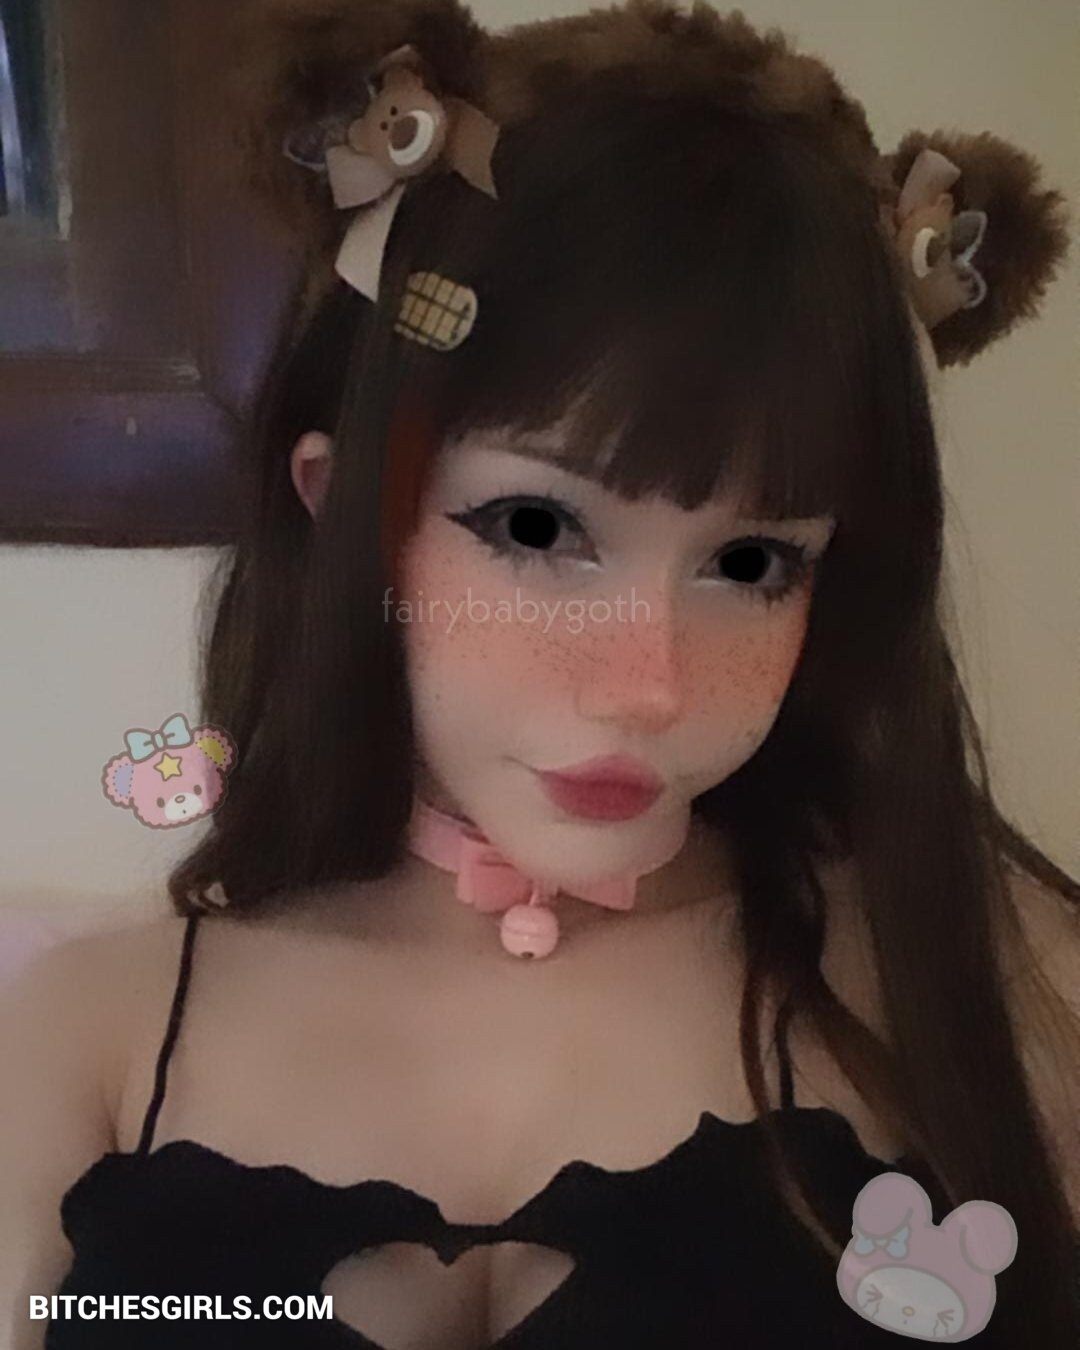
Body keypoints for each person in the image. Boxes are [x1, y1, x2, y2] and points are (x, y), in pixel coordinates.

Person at [2, 2, 1078, 1346]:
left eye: (751, 562)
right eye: (536, 528)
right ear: (348, 516)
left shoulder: (997, 991)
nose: (647, 685)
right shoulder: (87, 1039)